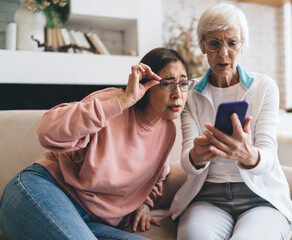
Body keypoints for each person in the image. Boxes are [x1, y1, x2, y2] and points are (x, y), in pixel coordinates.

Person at [0, 47, 194, 240]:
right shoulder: (114, 101)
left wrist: (145, 204)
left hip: (92, 222)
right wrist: (125, 100)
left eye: (183, 83)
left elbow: (158, 176)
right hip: (41, 190)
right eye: (168, 83)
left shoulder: (168, 130)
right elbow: (48, 132)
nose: (178, 93)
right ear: (147, 83)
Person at [169, 3, 292, 240]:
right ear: (202, 46)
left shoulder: (265, 87)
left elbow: (269, 153)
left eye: (232, 43)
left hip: (260, 198)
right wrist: (196, 157)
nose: (223, 54)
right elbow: (187, 161)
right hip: (207, 198)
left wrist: (249, 155)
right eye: (214, 43)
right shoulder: (190, 92)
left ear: (243, 45)